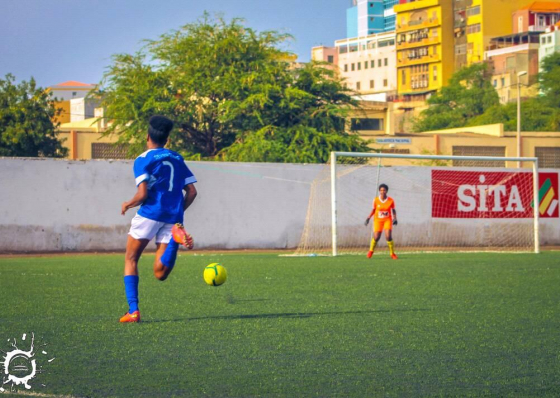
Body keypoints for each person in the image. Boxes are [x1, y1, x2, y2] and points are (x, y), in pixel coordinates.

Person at [119, 115, 198, 323]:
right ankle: (174, 238)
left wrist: (128, 203)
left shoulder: (143, 159)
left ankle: (133, 310)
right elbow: (191, 192)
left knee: (131, 259)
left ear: (147, 137)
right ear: (167, 140)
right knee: (160, 273)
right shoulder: (177, 158)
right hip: (174, 217)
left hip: (150, 214)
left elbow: (143, 194)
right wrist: (178, 213)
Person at [364, 183, 398, 260]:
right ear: (379, 191)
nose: (382, 191)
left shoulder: (391, 200)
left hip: (387, 220)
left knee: (388, 236)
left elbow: (393, 210)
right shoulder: (375, 200)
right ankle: (371, 251)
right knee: (376, 237)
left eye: (384, 190)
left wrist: (395, 218)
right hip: (378, 220)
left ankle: (392, 253)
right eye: (381, 190)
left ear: (386, 191)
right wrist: (368, 218)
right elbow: (373, 210)